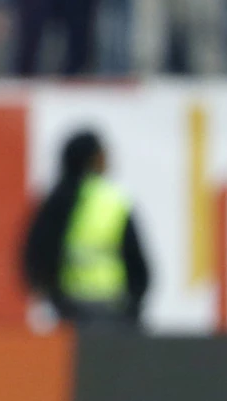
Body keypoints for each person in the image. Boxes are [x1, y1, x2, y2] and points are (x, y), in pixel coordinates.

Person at [21, 130, 151, 328]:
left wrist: (52, 296)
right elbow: (138, 264)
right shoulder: (112, 201)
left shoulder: (55, 201)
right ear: (93, 158)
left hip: (68, 308)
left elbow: (36, 259)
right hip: (112, 307)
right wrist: (133, 306)